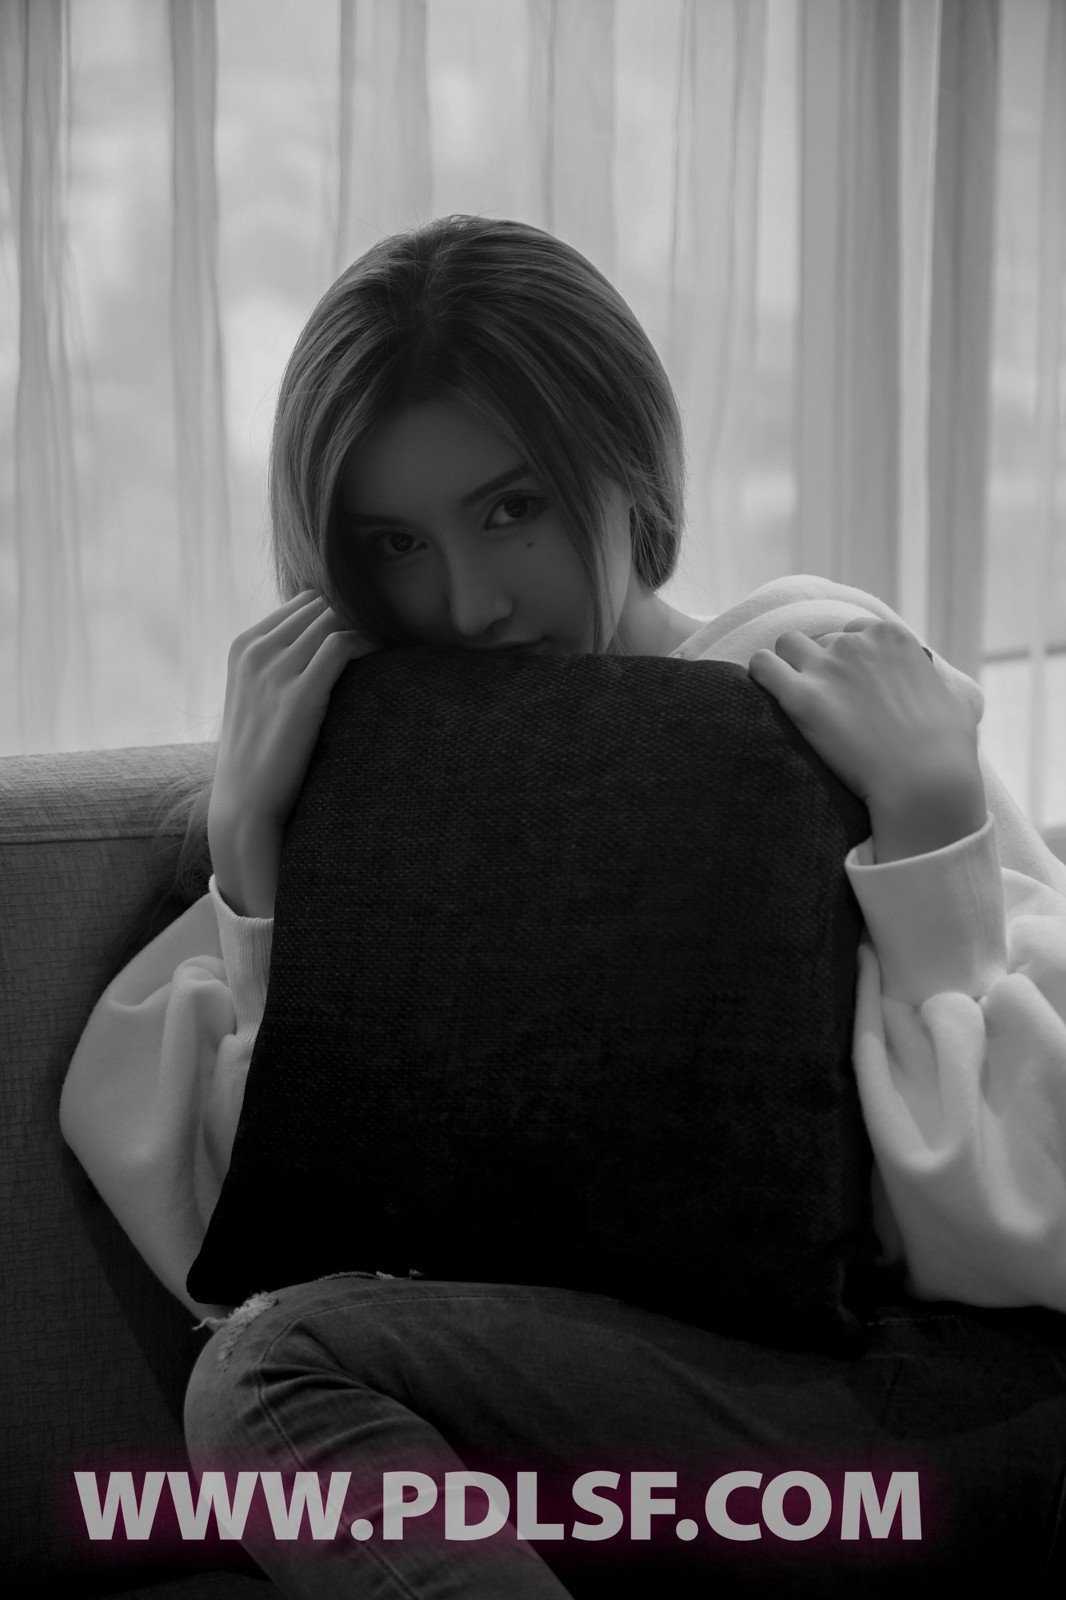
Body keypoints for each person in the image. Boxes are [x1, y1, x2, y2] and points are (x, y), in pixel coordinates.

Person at [59, 215, 1066, 1595]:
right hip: (661, 1411)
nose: (468, 603)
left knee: (274, 1375)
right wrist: (251, 858)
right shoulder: (384, 777)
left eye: (511, 508)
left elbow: (1033, 1222)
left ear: (624, 464)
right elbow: (246, 1244)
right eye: (395, 542)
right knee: (267, 1364)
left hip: (958, 1401)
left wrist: (933, 830)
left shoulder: (802, 680)